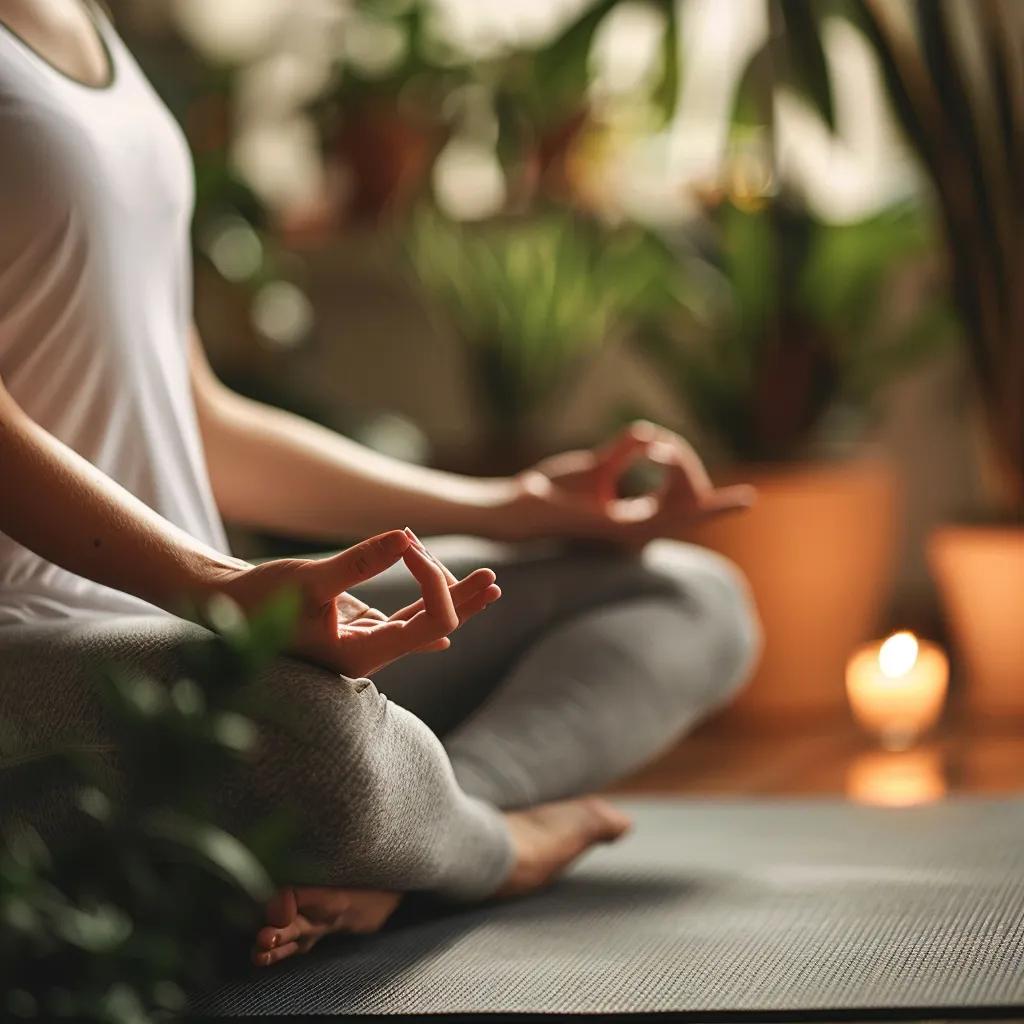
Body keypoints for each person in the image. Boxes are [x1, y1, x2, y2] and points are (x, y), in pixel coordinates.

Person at [0, 0, 761, 967]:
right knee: (313, 729)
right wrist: (221, 589)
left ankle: (413, 843)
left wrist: (512, 505)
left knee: (685, 595)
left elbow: (199, 415)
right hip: (34, 646)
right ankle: (488, 851)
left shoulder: (88, 19)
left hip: (195, 628)